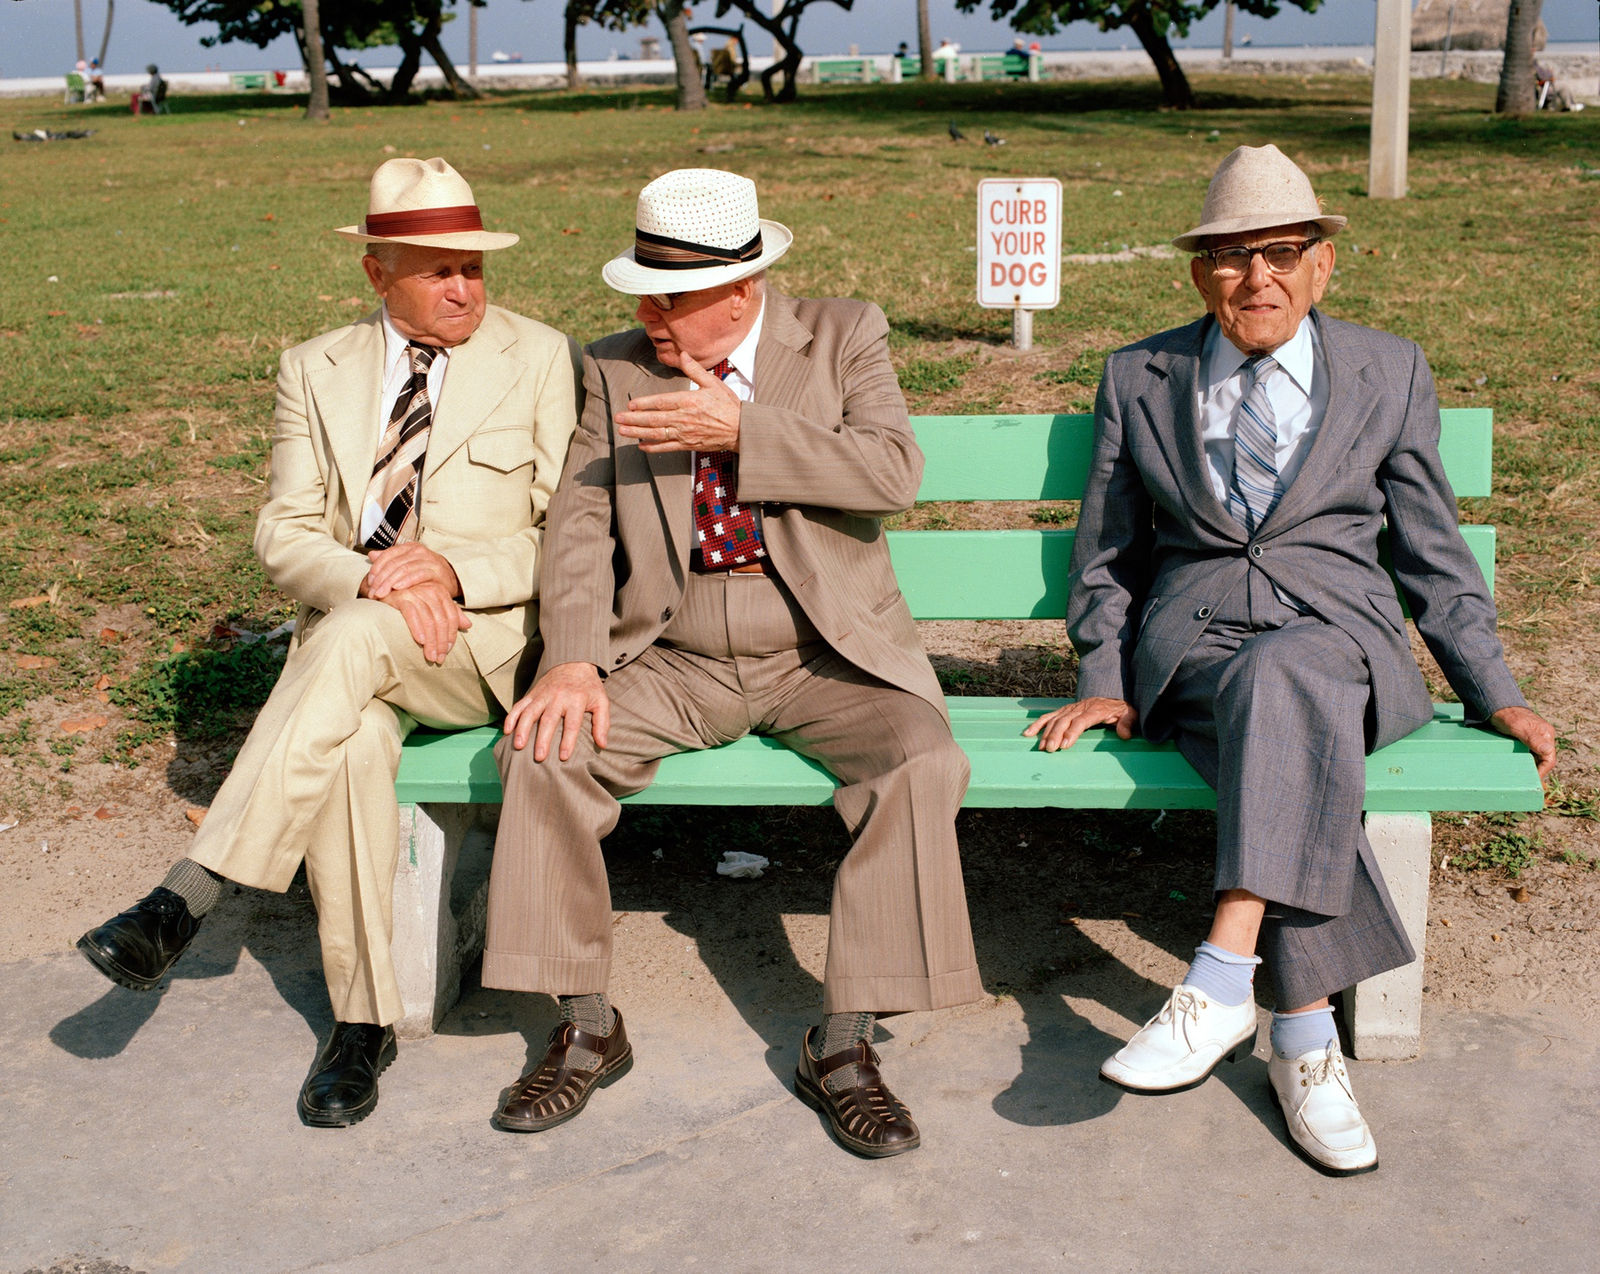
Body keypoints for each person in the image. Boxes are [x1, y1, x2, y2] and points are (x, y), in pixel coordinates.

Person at [1026, 144, 1556, 1175]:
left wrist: (1494, 690)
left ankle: (1222, 975)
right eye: (1229, 257)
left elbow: (1430, 552)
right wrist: (1102, 676)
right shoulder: (1142, 375)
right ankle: (1305, 1040)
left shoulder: (1386, 368)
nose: (1254, 277)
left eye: (1279, 253)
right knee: (1272, 717)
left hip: (1338, 639)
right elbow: (1105, 554)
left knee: (1288, 678)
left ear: (1322, 266)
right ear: (1198, 273)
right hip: (1195, 651)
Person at [482, 167, 984, 1159]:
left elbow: (892, 473)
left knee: (922, 760)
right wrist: (575, 660)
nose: (648, 312)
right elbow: (580, 528)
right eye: (641, 290)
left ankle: (840, 1044)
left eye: (670, 295)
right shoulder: (616, 369)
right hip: (672, 650)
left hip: (820, 646)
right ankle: (586, 1022)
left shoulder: (842, 334)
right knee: (545, 753)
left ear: (743, 291)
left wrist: (743, 430)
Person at [76, 157, 580, 1128]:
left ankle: (193, 890)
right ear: (376, 273)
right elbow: (285, 530)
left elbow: (572, 529)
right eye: (436, 270)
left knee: (351, 645)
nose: (464, 287)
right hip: (362, 645)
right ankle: (363, 1022)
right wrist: (369, 577)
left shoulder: (539, 356)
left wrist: (453, 569)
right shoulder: (315, 367)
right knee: (350, 742)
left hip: (480, 646)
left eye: (473, 266)